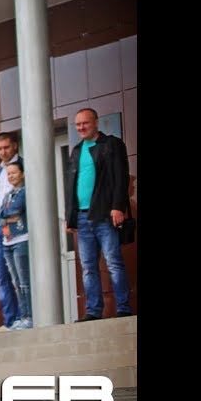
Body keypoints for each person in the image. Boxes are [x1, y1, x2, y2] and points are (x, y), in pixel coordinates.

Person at [66, 108, 134, 320]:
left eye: (85, 123)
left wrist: (117, 206)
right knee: (88, 268)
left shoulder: (111, 145)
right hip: (83, 218)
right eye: (77, 125)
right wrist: (70, 216)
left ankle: (123, 308)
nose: (81, 128)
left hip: (105, 214)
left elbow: (121, 178)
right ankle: (93, 311)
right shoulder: (76, 150)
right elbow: (71, 185)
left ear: (96, 122)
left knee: (114, 262)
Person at [0, 161, 33, 330]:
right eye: (8, 174)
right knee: (16, 282)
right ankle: (22, 317)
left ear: (22, 173)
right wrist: (7, 218)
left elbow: (16, 209)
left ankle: (30, 317)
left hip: (21, 239)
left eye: (14, 173)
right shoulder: (8, 194)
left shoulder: (25, 192)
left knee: (24, 282)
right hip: (7, 242)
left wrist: (5, 216)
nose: (11, 176)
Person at [0, 132, 22, 330]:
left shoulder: (25, 166)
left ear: (15, 146)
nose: (2, 152)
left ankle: (23, 317)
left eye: (6, 147)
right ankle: (10, 320)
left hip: (15, 226)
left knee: (18, 274)